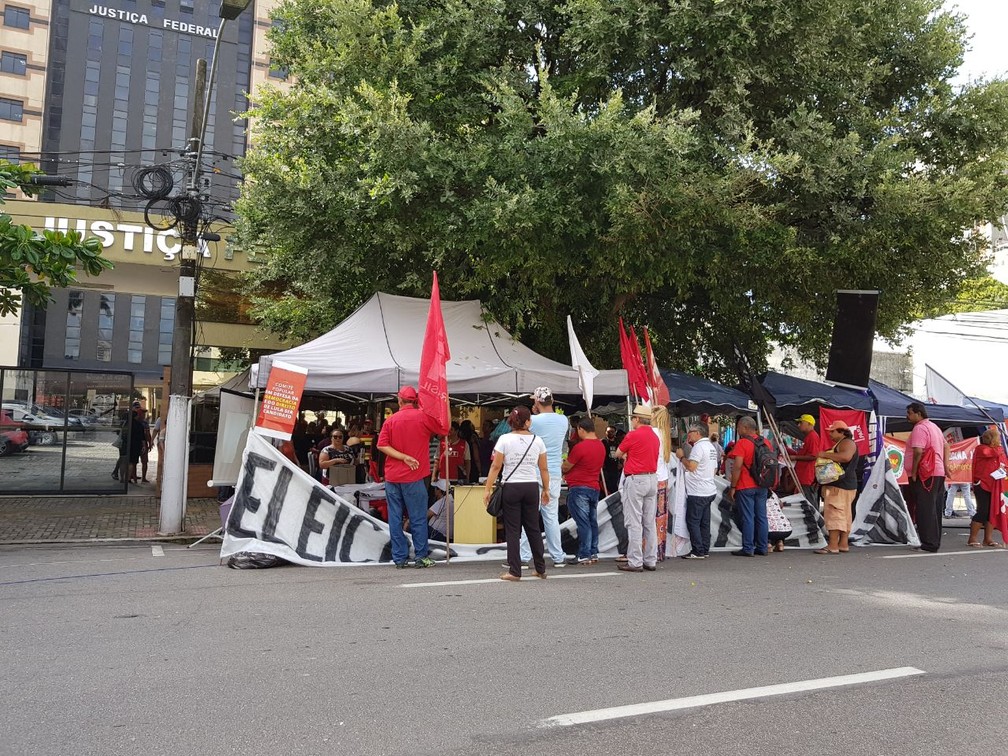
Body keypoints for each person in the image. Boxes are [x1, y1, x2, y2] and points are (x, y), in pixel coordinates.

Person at [376, 386, 449, 568]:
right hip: (415, 476)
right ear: (415, 400)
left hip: (393, 477)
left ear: (399, 400)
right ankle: (421, 556)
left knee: (395, 518)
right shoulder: (423, 417)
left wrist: (401, 457)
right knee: (418, 518)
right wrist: (445, 403)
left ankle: (399, 558)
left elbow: (381, 445)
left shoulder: (390, 421)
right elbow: (444, 428)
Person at [485, 406, 549, 581]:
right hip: (531, 486)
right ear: (528, 422)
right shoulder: (538, 441)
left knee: (513, 530)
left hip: (512, 487)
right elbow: (543, 468)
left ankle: (514, 570)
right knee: (533, 528)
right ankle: (540, 568)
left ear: (511, 422)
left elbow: (496, 467)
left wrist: (488, 488)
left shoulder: (504, 439)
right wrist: (546, 489)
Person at [519, 387, 570, 568]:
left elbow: (523, 434)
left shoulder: (533, 421)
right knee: (551, 517)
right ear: (552, 401)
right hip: (554, 472)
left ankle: (524, 557)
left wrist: (534, 414)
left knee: (529, 516)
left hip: (534, 472)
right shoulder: (564, 420)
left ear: (538, 401)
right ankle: (558, 556)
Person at [614, 404, 660, 572]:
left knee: (634, 522)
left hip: (636, 478)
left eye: (633, 418)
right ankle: (650, 559)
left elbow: (617, 453)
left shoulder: (633, 435)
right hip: (651, 478)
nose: (632, 420)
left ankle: (635, 561)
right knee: (649, 522)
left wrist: (627, 454)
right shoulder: (655, 437)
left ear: (638, 419)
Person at [906, 402, 950, 552]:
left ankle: (928, 544)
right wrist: (946, 465)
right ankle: (933, 541)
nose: (908, 416)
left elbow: (918, 451)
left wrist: (914, 471)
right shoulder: (934, 427)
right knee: (934, 508)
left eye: (909, 413)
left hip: (925, 473)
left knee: (924, 508)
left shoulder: (920, 428)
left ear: (918, 413)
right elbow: (946, 446)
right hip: (937, 472)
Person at [561, 416, 605, 564]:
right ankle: (593, 552)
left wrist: (562, 466)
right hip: (594, 486)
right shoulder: (601, 446)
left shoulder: (580, 447)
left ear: (581, 429)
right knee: (592, 521)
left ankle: (584, 553)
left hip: (579, 487)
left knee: (583, 522)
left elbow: (566, 466)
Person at [727, 416, 771, 557]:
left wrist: (733, 486)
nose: (738, 430)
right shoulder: (766, 442)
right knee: (762, 516)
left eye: (739, 427)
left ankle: (748, 547)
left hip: (745, 485)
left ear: (745, 428)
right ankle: (763, 546)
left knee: (748, 517)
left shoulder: (742, 443)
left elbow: (737, 466)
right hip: (762, 484)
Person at [814, 420, 859, 554]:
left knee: (834, 514)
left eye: (832, 431)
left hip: (839, 485)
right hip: (846, 485)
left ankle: (833, 545)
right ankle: (843, 544)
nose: (830, 434)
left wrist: (824, 454)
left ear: (841, 431)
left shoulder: (846, 443)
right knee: (844, 514)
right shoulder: (845, 443)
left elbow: (845, 457)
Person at [678, 421, 718, 559]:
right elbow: (714, 469)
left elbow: (691, 467)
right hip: (709, 489)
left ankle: (697, 550)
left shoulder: (698, 447)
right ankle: (704, 549)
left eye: (691, 432)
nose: (689, 434)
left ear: (698, 433)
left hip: (698, 490)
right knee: (704, 522)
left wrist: (681, 457)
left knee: (693, 521)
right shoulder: (712, 447)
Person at [968, 428, 1006, 548]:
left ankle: (988, 539)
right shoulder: (981, 449)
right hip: (982, 484)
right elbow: (988, 453)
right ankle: (972, 538)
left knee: (992, 511)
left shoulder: (999, 450)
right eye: (998, 438)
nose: (999, 440)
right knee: (983, 510)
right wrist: (1000, 448)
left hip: (995, 485)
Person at [651, 406, 673, 561]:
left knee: (648, 517)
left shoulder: (652, 433)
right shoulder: (665, 435)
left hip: (653, 476)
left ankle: (649, 550)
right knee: (660, 517)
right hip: (663, 478)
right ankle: (659, 550)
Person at [790, 414, 821, 508]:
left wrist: (795, 458)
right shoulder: (809, 436)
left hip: (807, 476)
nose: (798, 425)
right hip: (803, 475)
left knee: (809, 501)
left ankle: (816, 521)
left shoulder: (813, 436)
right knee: (805, 499)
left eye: (801, 422)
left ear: (809, 424)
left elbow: (813, 456)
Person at [601, 426, 624, 496]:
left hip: (615, 467)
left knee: (614, 485)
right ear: (606, 432)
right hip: (606, 467)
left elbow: (622, 453)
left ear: (615, 432)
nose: (610, 433)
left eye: (612, 432)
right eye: (608, 432)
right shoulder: (603, 442)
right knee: (606, 485)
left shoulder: (617, 442)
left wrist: (621, 463)